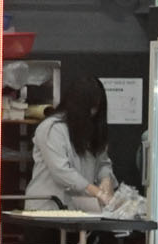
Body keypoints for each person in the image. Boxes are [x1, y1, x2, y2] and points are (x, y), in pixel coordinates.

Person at [24, 72, 116, 209]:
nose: (93, 112)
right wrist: (95, 191)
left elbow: (102, 162)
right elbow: (61, 171)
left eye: (97, 108)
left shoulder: (92, 129)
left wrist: (106, 179)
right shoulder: (52, 128)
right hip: (48, 207)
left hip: (78, 208)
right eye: (89, 108)